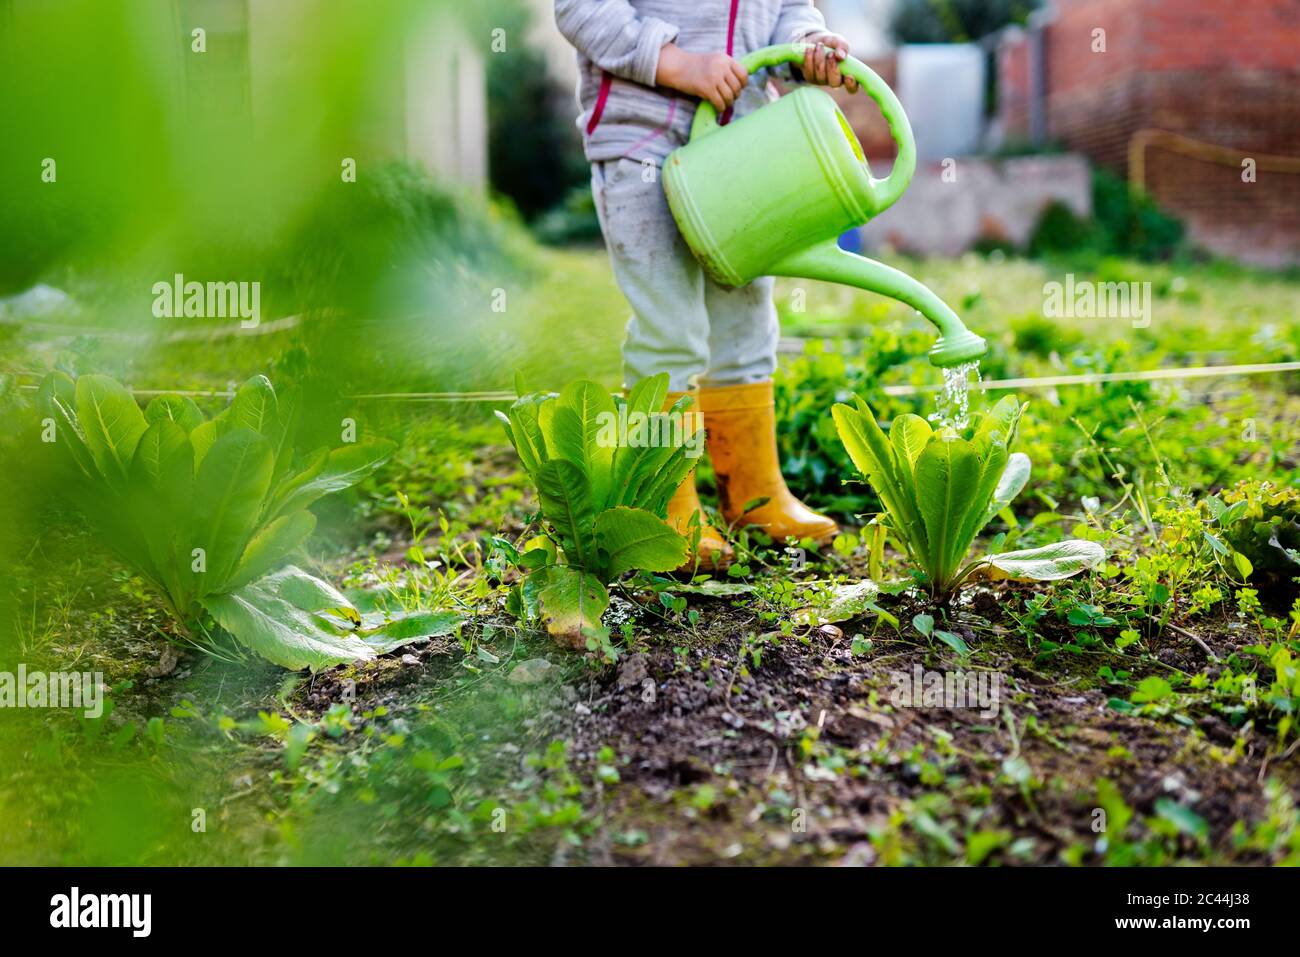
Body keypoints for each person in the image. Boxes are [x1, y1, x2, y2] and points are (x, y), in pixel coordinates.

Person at [555, 0, 860, 568]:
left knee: (746, 315)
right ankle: (659, 509)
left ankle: (754, 495)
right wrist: (673, 61)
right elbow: (580, 7)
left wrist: (808, 47)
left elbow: (790, 9)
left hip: (741, 144)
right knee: (669, 323)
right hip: (642, 138)